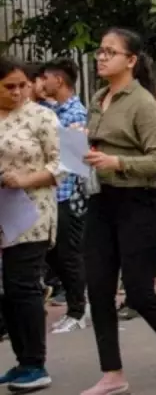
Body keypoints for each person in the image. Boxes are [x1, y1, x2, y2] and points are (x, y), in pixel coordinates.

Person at [80, 28, 156, 394]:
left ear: (131, 60)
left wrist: (117, 161)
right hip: (101, 199)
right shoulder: (99, 97)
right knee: (99, 288)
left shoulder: (143, 103)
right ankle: (112, 373)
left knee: (138, 291)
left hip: (140, 201)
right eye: (100, 51)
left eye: (111, 52)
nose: (102, 57)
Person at [0, 56, 61, 392]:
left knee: (24, 285)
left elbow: (62, 164)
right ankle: (23, 360)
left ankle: (36, 364)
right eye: (9, 86)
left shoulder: (42, 116)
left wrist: (24, 179)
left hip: (32, 212)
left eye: (22, 85)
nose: (17, 92)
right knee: (8, 289)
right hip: (2, 212)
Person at [37, 57, 90, 334]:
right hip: (52, 195)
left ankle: (78, 310)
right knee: (54, 255)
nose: (41, 83)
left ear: (59, 80)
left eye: (45, 78)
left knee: (68, 255)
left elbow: (73, 162)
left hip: (68, 195)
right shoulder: (50, 110)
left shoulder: (75, 114)